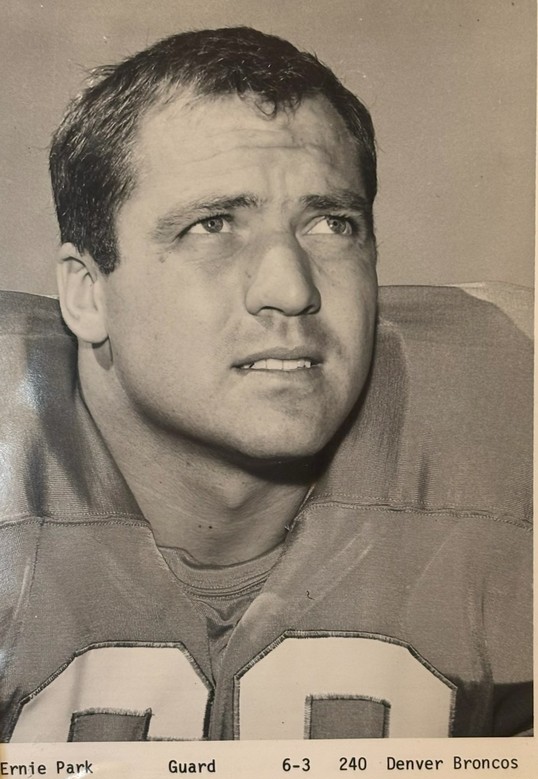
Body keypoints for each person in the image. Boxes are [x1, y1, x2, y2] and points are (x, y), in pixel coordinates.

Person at [0, 27, 532, 742]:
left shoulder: (509, 400)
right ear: (88, 293)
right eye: (213, 224)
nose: (290, 289)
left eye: (332, 223)